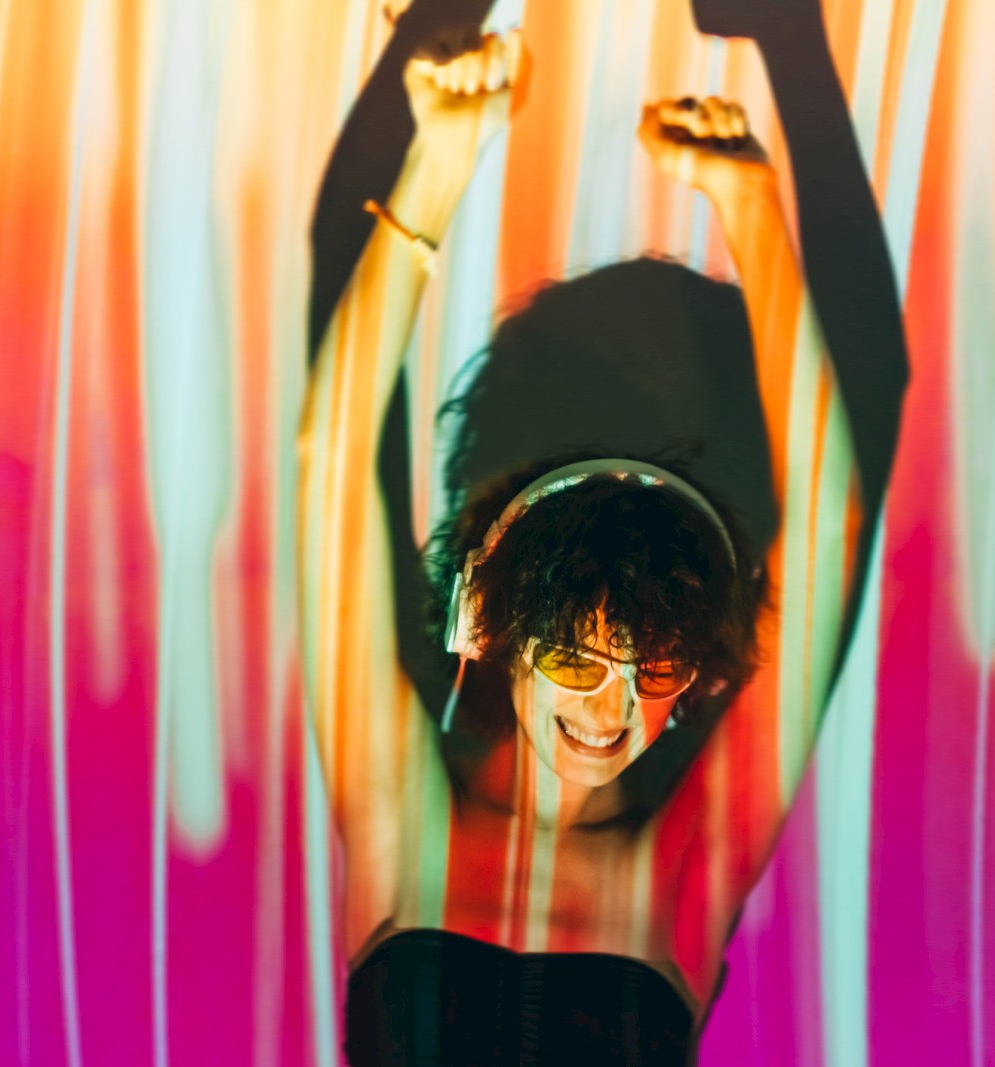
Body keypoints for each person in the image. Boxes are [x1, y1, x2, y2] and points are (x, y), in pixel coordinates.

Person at [298, 4, 908, 1063]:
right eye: (577, 659)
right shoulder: (407, 824)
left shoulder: (673, 875)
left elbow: (830, 528)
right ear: (496, 624)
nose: (607, 711)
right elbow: (330, 457)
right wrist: (435, 169)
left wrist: (748, 202)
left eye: (652, 666)